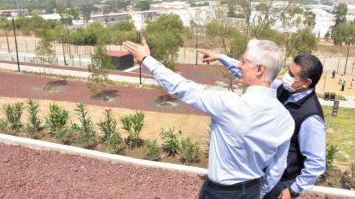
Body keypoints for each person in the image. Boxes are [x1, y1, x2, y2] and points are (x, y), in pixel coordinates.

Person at [124, 38, 294, 199]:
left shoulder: (229, 105)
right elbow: (277, 168)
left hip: (220, 193)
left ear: (259, 69)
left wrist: (146, 59)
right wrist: (258, 193)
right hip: (252, 190)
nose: (240, 66)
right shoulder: (285, 118)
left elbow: (182, 87)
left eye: (243, 62)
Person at [200, 50, 326, 199]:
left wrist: (293, 190)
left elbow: (316, 162)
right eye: (288, 71)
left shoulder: (311, 117)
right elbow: (254, 75)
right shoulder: (284, 90)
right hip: (262, 173)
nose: (286, 77)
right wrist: (222, 58)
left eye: (292, 75)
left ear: (306, 82)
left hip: (281, 183)